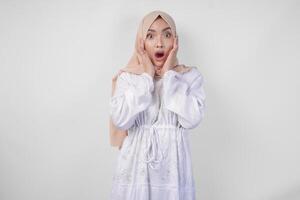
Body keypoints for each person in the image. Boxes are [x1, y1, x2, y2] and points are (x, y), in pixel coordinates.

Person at [109, 10, 206, 200]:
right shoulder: (128, 78)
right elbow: (120, 119)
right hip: (135, 169)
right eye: (150, 36)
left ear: (175, 42)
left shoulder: (189, 77)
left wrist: (170, 76)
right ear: (141, 42)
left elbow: (192, 119)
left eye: (167, 35)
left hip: (173, 170)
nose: (159, 43)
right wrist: (146, 78)